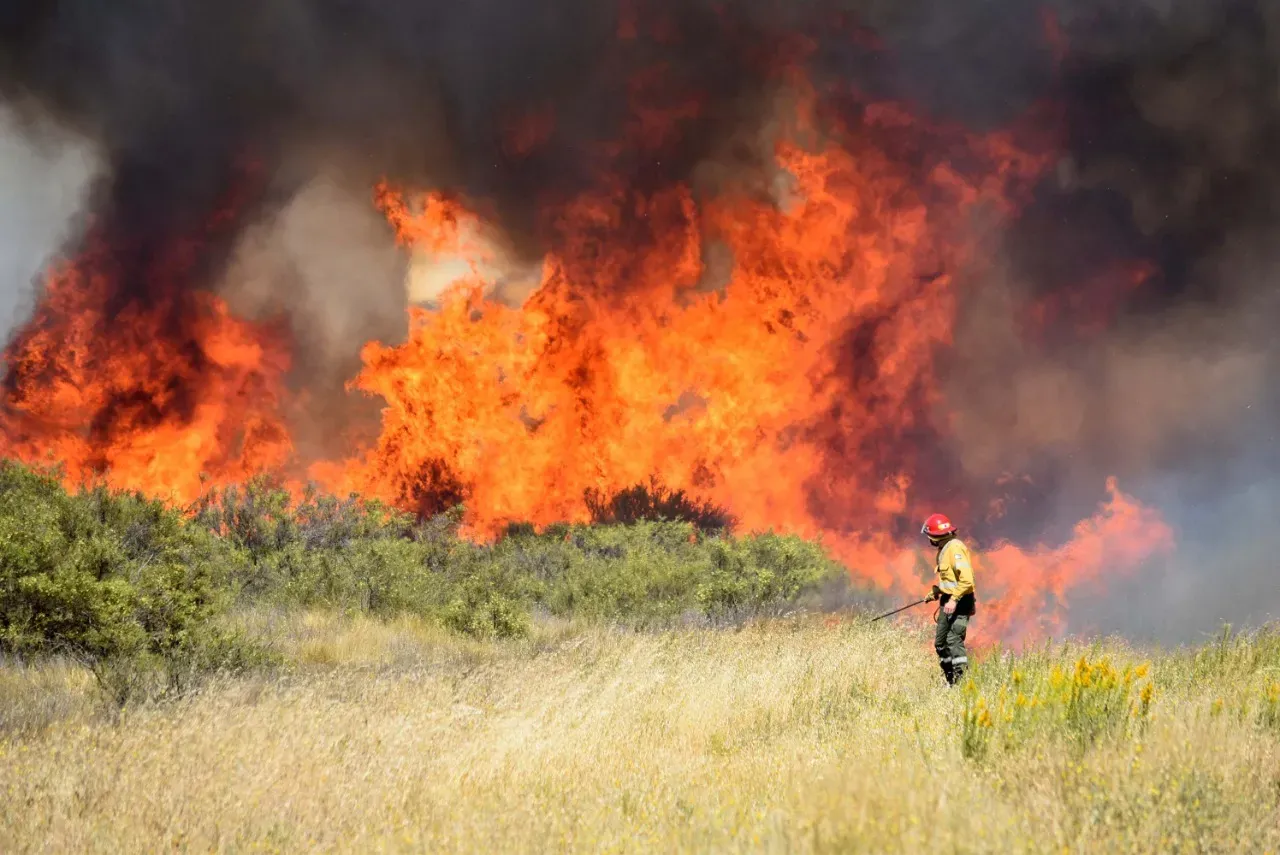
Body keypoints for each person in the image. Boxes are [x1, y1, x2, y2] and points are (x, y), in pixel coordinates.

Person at [921, 513, 975, 686]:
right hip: (948, 601)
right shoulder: (944, 549)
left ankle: (962, 683)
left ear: (934, 535)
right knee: (940, 644)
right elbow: (949, 580)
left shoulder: (955, 548)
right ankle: (950, 680)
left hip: (959, 602)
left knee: (953, 640)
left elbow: (967, 581)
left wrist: (953, 600)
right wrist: (936, 592)